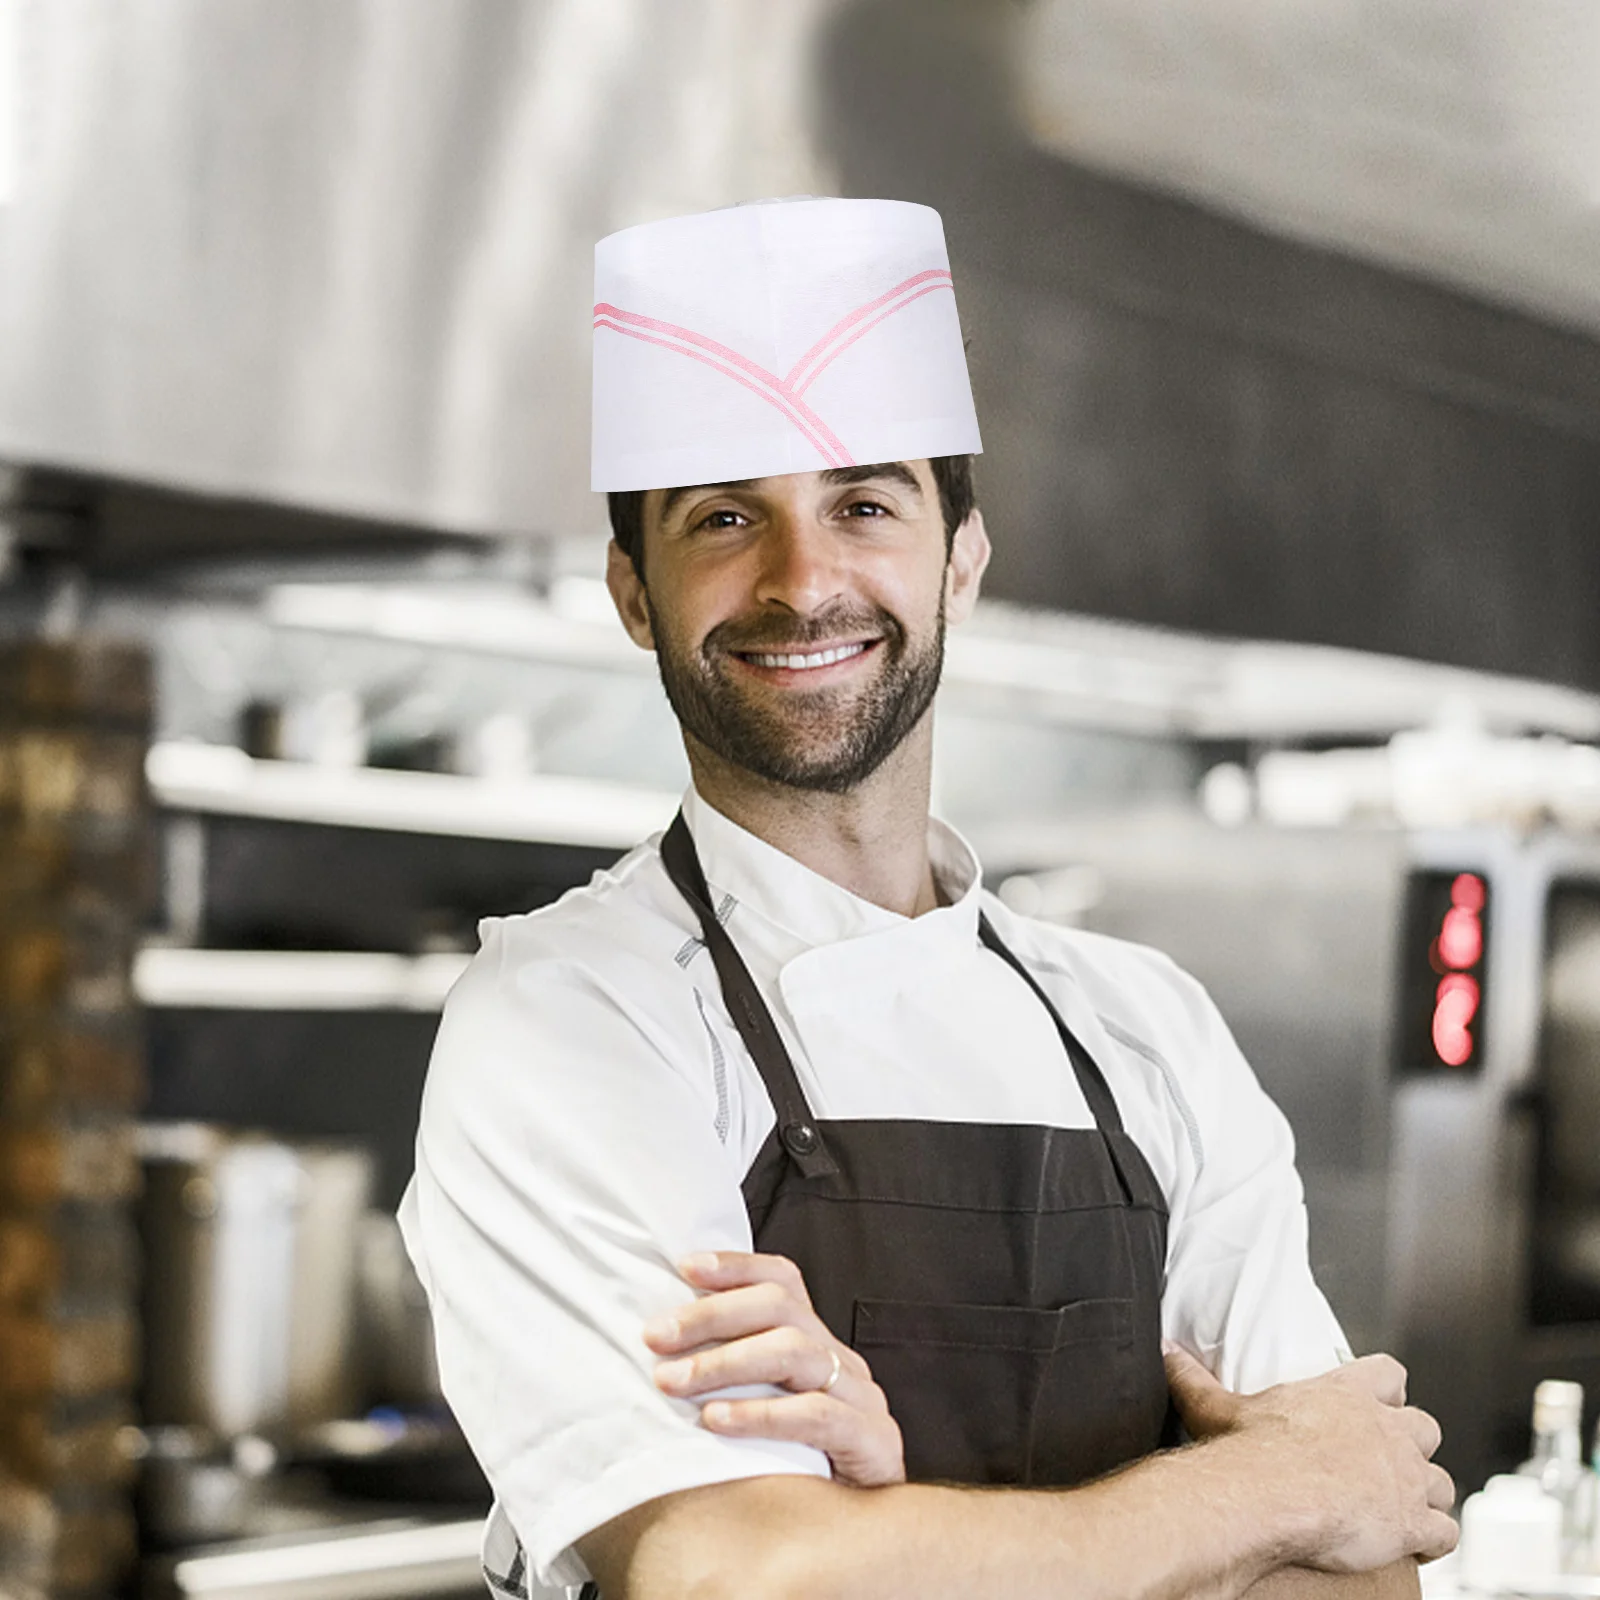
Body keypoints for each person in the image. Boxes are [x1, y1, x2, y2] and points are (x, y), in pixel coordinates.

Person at [399, 197, 1456, 1600]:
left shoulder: (1149, 1033)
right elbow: (736, 1577)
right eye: (724, 517)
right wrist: (1268, 1486)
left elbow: (1367, 1584)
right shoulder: (570, 1021)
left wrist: (895, 1539)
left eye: (863, 503)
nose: (803, 580)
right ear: (634, 595)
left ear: (960, 560)